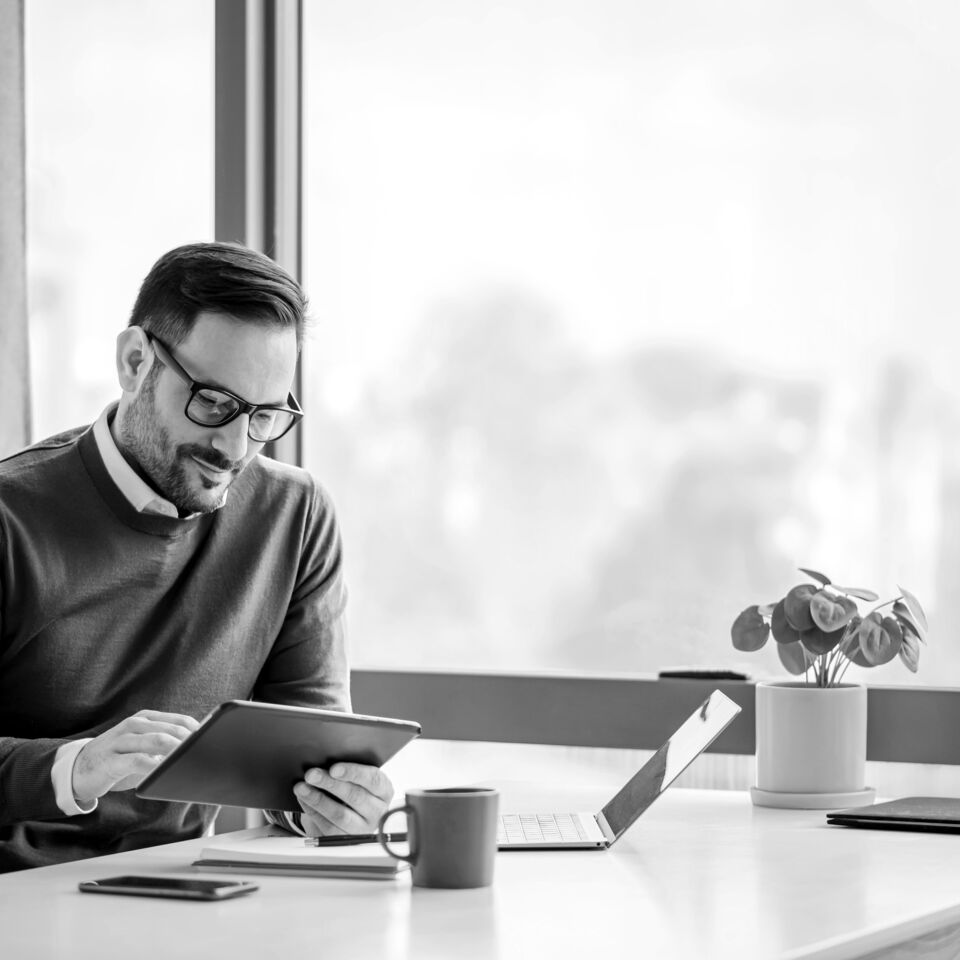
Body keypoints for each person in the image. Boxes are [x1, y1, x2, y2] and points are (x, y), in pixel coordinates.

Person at [0, 242, 393, 872]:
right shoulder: (11, 516)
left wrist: (330, 804)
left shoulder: (296, 516)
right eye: (213, 402)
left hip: (184, 884)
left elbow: (305, 754)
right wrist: (76, 767)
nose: (235, 447)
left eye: (264, 415)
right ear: (135, 362)